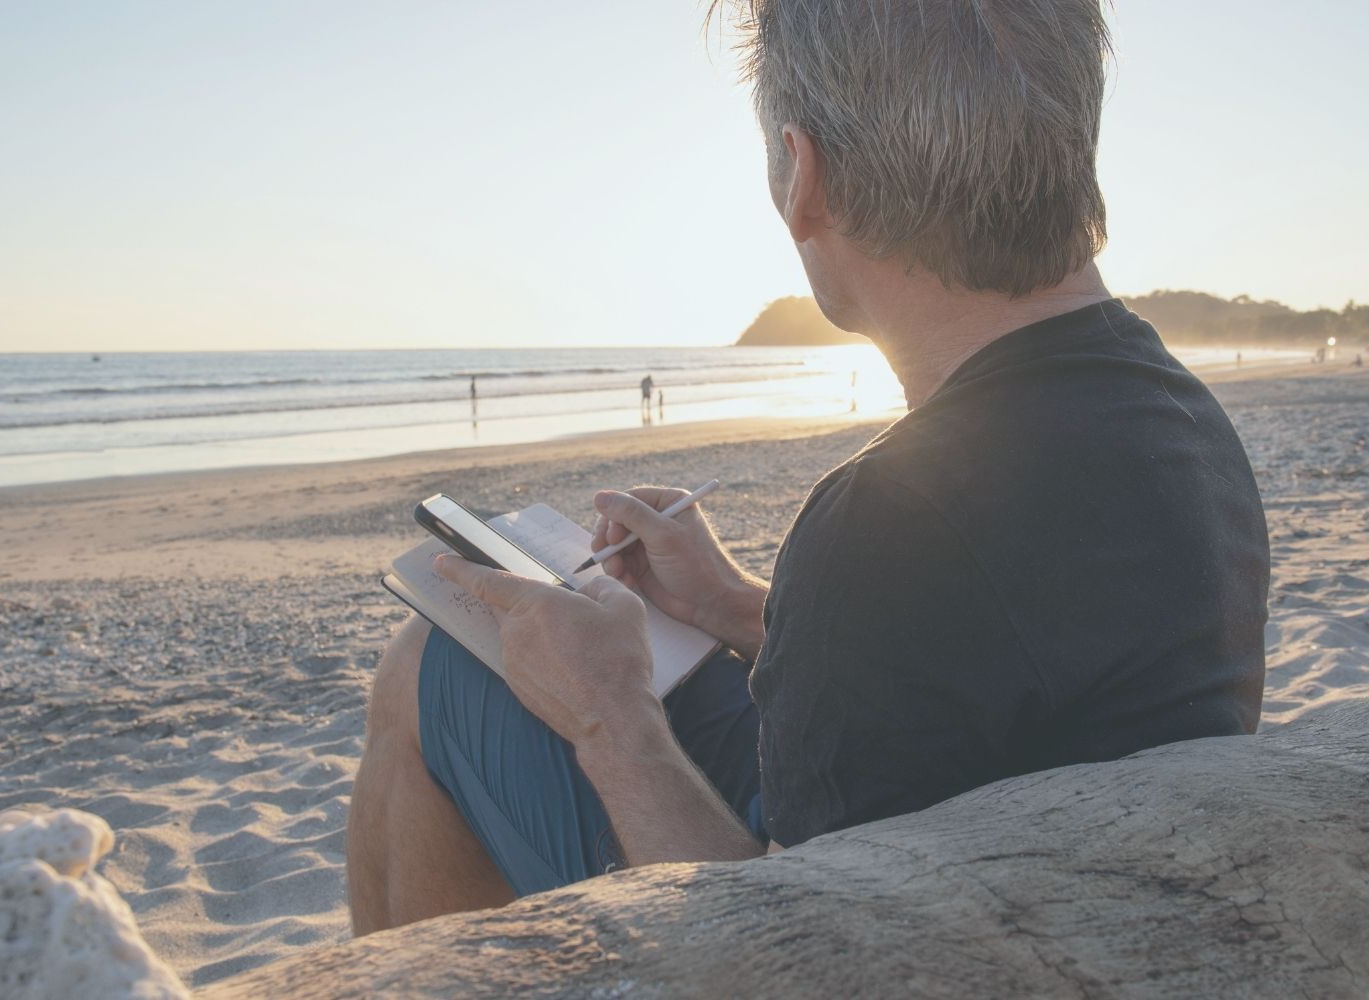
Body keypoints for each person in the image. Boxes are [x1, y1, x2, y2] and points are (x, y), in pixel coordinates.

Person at [347, 0, 1268, 931]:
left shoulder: (891, 521)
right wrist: (729, 605)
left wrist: (608, 715)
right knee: (448, 652)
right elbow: (1006, 665)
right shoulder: (1176, 414)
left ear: (805, 176)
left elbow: (789, 949)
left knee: (433, 664)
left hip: (940, 935)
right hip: (1054, 873)